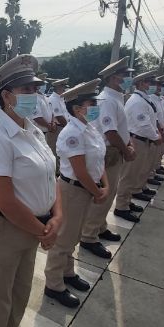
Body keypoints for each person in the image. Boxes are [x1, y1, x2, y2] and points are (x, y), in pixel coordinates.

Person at [0, 55, 61, 327]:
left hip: (31, 228)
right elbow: (6, 201)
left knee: (19, 295)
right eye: (26, 90)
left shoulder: (32, 131)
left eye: (35, 89)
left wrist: (57, 217)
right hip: (2, 230)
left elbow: (51, 176)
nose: (34, 96)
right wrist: (43, 230)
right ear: (7, 96)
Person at [44, 79, 107, 308]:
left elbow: (98, 162)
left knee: (74, 235)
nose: (96, 107)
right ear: (78, 108)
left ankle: (67, 272)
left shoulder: (90, 128)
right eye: (92, 103)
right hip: (73, 190)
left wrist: (105, 185)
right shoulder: (72, 133)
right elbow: (80, 170)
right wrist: (97, 191)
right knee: (63, 238)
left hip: (87, 189)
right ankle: (53, 283)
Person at [80, 57, 136, 259]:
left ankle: (100, 227)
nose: (129, 79)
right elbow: (110, 131)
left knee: (109, 194)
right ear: (113, 78)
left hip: (114, 150)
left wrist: (128, 144)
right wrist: (126, 150)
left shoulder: (116, 98)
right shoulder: (108, 100)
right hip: (109, 152)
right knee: (104, 195)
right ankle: (88, 236)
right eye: (125, 75)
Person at [113, 70, 160, 223]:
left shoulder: (143, 99)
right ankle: (121, 206)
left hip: (142, 140)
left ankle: (126, 202)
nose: (152, 85)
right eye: (149, 82)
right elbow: (144, 124)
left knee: (134, 174)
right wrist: (156, 137)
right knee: (128, 175)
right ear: (140, 84)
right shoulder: (137, 101)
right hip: (136, 140)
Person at [45, 77, 69, 157]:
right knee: (55, 152)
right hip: (58, 128)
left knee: (61, 151)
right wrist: (68, 127)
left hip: (62, 127)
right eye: (63, 86)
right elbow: (59, 117)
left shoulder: (60, 98)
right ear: (58, 87)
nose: (64, 89)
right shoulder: (54, 99)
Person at [31, 73, 56, 139]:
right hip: (38, 132)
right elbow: (37, 118)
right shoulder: (34, 97)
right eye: (42, 84)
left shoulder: (45, 97)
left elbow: (52, 112)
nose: (44, 86)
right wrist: (49, 127)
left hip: (46, 130)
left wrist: (53, 122)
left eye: (44, 84)